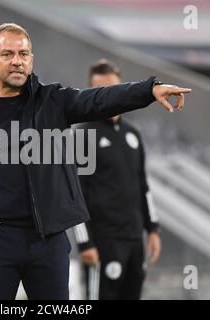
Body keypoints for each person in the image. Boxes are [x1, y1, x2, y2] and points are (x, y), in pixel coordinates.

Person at [0, 23, 191, 300]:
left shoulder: (53, 102)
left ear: (31, 59)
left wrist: (148, 90)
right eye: (7, 54)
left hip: (48, 240)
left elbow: (99, 98)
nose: (17, 61)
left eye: (23, 54)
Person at [73, 60, 161, 300]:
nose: (108, 96)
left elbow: (143, 185)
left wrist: (152, 229)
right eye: (100, 91)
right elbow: (74, 193)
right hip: (103, 242)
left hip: (134, 239)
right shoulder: (83, 135)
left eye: (112, 89)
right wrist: (85, 243)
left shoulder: (132, 134)